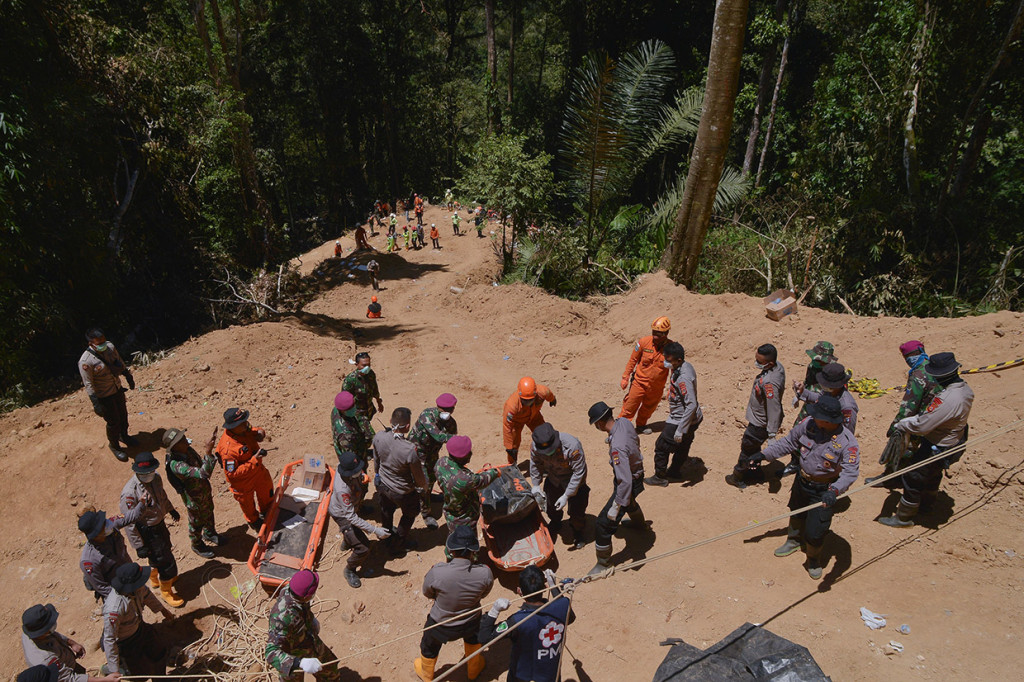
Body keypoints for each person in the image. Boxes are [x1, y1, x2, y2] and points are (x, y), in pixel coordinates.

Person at [750, 395, 860, 579]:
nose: (812, 417)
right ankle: (793, 540)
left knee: (816, 531)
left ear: (827, 421)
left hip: (823, 489)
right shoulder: (809, 424)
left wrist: (834, 491)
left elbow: (850, 473)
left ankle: (813, 558)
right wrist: (764, 455)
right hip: (802, 482)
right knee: (796, 512)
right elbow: (788, 442)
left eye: (817, 415)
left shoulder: (847, 443)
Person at [877, 352, 973, 528]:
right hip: (953, 440)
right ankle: (927, 505)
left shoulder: (947, 398)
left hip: (939, 444)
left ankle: (903, 518)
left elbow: (922, 425)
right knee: (933, 474)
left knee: (913, 476)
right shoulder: (965, 389)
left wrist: (903, 424)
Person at [414, 526, 494, 681]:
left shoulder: (437, 572)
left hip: (440, 625)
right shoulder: (485, 572)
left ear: (450, 550)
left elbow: (427, 593)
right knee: (474, 640)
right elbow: (484, 594)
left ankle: (427, 675)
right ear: (473, 551)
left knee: (429, 646)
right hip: (471, 622)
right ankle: (474, 670)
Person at [477, 566, 575, 682]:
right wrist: (553, 586)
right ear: (545, 588)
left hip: (522, 677)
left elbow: (484, 637)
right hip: (550, 675)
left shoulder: (518, 621)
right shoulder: (563, 606)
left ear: (519, 591)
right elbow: (570, 617)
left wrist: (494, 611)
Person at [865, 340, 942, 485]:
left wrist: (895, 425)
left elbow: (909, 406)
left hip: (921, 419)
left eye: (907, 356)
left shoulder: (918, 375)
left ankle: (891, 478)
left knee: (901, 446)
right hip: (938, 418)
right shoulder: (935, 367)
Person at [587, 401, 646, 575]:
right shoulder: (624, 422)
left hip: (628, 481)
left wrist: (617, 505)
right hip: (637, 473)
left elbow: (625, 482)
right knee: (630, 501)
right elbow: (633, 440)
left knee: (603, 524)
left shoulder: (617, 448)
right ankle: (640, 525)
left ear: (599, 423)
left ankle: (603, 563)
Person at [119, 452, 185, 608]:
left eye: (151, 471)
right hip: (147, 530)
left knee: (161, 552)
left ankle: (155, 579)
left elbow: (162, 496)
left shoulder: (156, 479)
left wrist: (170, 509)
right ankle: (166, 591)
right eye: (145, 473)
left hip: (159, 524)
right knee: (165, 560)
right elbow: (129, 523)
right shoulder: (130, 493)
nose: (149, 475)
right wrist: (138, 545)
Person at [782, 361, 858, 477]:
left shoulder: (847, 406)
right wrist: (803, 392)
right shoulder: (829, 391)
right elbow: (818, 399)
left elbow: (847, 433)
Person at [328, 451, 391, 588]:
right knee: (363, 548)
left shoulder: (343, 466)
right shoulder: (343, 490)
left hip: (352, 506)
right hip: (342, 515)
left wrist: (361, 476)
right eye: (356, 471)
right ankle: (350, 569)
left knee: (353, 534)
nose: (359, 471)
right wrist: (375, 530)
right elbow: (351, 517)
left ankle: (347, 542)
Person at [728, 343, 786, 489]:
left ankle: (738, 476)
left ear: (770, 363)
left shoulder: (769, 383)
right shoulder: (777, 367)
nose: (756, 363)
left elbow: (774, 407)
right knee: (754, 449)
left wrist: (772, 433)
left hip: (759, 423)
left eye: (759, 362)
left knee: (747, 449)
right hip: (760, 419)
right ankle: (755, 473)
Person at [266, 570, 341, 682]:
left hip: (310, 641)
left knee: (330, 670)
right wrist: (299, 663)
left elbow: (303, 606)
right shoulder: (282, 619)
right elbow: (271, 652)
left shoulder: (295, 592)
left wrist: (310, 619)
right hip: (291, 655)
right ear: (306, 596)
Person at [101, 563, 175, 676]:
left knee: (159, 652)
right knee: (139, 674)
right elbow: (110, 639)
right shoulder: (114, 609)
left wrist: (163, 610)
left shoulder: (137, 587)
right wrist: (114, 670)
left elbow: (147, 595)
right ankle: (114, 669)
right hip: (125, 641)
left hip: (139, 628)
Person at [647, 341, 703, 486]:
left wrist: (680, 429)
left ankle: (659, 477)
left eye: (668, 359)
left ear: (678, 360)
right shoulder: (684, 366)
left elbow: (691, 404)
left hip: (681, 419)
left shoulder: (683, 378)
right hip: (693, 419)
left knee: (661, 446)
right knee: (683, 445)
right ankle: (674, 472)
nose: (666, 362)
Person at [372, 407, 427, 554]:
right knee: (410, 513)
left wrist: (378, 475)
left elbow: (376, 461)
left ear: (390, 421)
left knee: (386, 510)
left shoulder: (379, 437)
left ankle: (386, 534)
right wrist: (424, 486)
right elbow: (418, 477)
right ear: (408, 427)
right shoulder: (409, 449)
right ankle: (398, 542)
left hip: (383, 485)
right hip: (402, 491)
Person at [162, 426, 222, 559]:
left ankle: (210, 533)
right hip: (193, 498)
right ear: (175, 447)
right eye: (181, 440)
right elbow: (203, 473)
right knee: (196, 521)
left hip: (203, 490)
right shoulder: (176, 465)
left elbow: (200, 464)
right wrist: (208, 452)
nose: (185, 440)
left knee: (208, 511)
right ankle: (197, 544)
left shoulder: (188, 450)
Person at [22, 603, 121, 682]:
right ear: (42, 631)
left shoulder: (30, 631)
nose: (53, 625)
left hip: (66, 665)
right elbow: (70, 679)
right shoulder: (47, 660)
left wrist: (70, 642)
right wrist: (105, 680)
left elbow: (51, 634)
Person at [79, 328, 136, 462]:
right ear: (91, 344)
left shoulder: (109, 347)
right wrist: (95, 403)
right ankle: (114, 446)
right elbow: (88, 384)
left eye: (103, 341)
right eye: (99, 343)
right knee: (113, 422)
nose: (103, 345)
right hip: (104, 395)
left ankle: (124, 436)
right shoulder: (85, 361)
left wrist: (128, 376)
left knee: (123, 415)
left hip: (117, 388)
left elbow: (119, 361)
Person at [529, 423, 589, 549]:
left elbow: (579, 473)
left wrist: (567, 495)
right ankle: (556, 522)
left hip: (574, 481)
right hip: (554, 479)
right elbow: (535, 464)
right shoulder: (535, 446)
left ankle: (578, 532)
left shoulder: (572, 446)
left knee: (577, 511)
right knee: (551, 506)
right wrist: (535, 484)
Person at [215, 407, 274, 531]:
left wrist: (260, 433)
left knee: (266, 491)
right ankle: (254, 521)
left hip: (257, 472)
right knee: (248, 505)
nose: (245, 424)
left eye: (245, 421)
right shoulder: (228, 450)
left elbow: (255, 431)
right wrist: (254, 460)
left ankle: (267, 511)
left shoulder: (243, 429)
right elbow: (232, 473)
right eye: (241, 423)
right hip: (243, 482)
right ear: (232, 427)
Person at [409, 393, 459, 529]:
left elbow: (452, 445)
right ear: (438, 407)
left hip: (432, 453)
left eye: (450, 409)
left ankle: (428, 497)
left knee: (432, 478)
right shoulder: (427, 416)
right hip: (417, 453)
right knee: (423, 483)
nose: (447, 412)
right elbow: (438, 436)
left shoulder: (451, 424)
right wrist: (457, 439)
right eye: (444, 409)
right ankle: (426, 513)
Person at [436, 435, 501, 536]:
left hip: (450, 512)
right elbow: (482, 480)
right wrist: (495, 472)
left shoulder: (441, 462)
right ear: (461, 458)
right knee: (467, 542)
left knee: (455, 538)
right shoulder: (464, 479)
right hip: (465, 519)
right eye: (468, 453)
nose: (470, 453)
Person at [619, 317, 673, 433]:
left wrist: (672, 387)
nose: (655, 336)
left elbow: (674, 369)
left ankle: (641, 425)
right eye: (654, 332)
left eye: (658, 334)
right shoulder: (643, 342)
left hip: (656, 387)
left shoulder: (671, 348)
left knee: (648, 408)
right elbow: (633, 360)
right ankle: (619, 430)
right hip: (639, 383)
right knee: (629, 406)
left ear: (666, 333)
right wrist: (625, 377)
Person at [79, 507, 139, 602]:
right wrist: (122, 598)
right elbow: (102, 587)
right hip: (118, 593)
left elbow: (132, 515)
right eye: (102, 526)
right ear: (95, 535)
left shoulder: (110, 527)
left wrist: (143, 503)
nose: (107, 525)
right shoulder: (89, 560)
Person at [502, 376, 557, 465]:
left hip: (534, 417)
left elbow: (549, 394)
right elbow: (507, 427)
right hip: (517, 422)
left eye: (530, 400)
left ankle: (547, 460)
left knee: (544, 436)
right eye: (525, 401)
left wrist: (552, 399)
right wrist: (509, 447)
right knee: (513, 446)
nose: (528, 403)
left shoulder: (543, 392)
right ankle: (512, 465)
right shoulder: (511, 406)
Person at [331, 391, 374, 466]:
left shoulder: (336, 410)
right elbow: (351, 459)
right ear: (343, 411)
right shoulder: (346, 436)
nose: (355, 408)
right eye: (351, 407)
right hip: (354, 459)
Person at [343, 351, 385, 423]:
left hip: (368, 411)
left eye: (369, 365)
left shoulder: (371, 374)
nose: (367, 368)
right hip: (357, 415)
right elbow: (344, 400)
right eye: (364, 365)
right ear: (357, 365)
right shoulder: (350, 380)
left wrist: (379, 402)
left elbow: (375, 390)